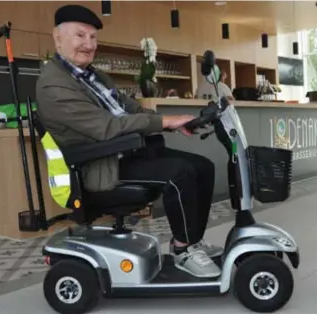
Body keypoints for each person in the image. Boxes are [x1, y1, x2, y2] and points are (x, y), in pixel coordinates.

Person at [36, 4, 223, 278]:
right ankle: (183, 250)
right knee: (179, 174)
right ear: (57, 37)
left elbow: (131, 108)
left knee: (204, 166)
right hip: (100, 165)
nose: (88, 45)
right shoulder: (53, 85)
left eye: (93, 38)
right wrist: (162, 122)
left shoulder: (94, 75)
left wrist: (173, 123)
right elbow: (106, 127)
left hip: (128, 153)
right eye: (80, 36)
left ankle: (191, 240)